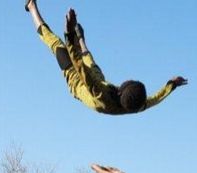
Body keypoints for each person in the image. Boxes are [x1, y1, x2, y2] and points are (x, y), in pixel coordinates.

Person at [24, 0, 187, 115]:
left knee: (56, 44)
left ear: (122, 89)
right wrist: (171, 85)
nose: (129, 78)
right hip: (98, 78)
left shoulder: (102, 95)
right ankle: (81, 40)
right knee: (86, 55)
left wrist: (68, 34)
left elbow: (81, 69)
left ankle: (31, 6)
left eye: (129, 80)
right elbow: (154, 100)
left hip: (79, 81)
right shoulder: (135, 105)